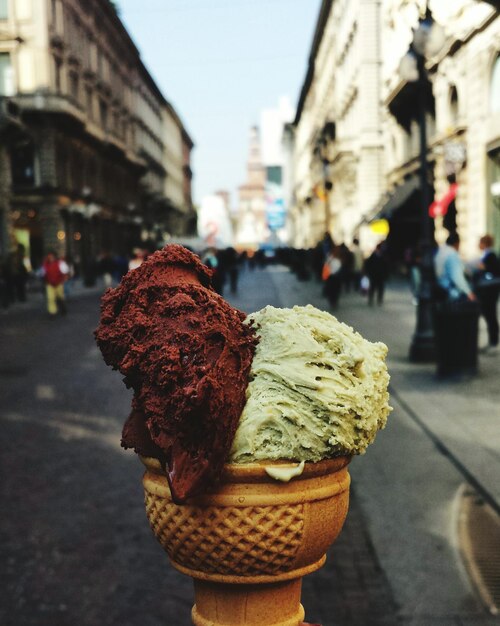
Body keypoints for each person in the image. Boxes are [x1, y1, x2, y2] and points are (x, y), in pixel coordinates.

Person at [472, 234, 499, 353]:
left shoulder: (491, 255)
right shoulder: (487, 255)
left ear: (485, 243)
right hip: (487, 290)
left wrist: (483, 267)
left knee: (490, 315)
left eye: (480, 242)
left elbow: (494, 270)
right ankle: (492, 342)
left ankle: (494, 343)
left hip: (490, 291)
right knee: (489, 315)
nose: (478, 244)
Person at [434, 233, 476, 302]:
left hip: (440, 288)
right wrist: (469, 293)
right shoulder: (452, 255)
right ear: (457, 243)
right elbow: (457, 277)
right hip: (449, 292)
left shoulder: (441, 251)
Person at [42, 250, 69, 317]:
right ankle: (52, 312)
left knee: (60, 297)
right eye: (49, 257)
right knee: (51, 298)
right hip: (49, 284)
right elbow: (43, 273)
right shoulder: (45, 265)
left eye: (52, 257)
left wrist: (65, 278)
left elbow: (65, 271)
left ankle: (63, 308)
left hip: (58, 283)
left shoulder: (60, 263)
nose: (50, 258)